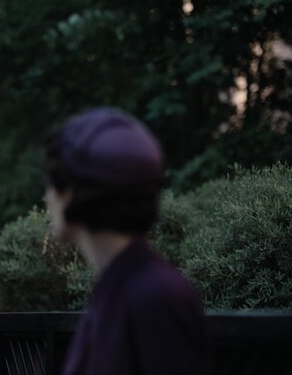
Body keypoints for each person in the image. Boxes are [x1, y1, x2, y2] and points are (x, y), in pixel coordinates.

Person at [45, 108, 210, 375]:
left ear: (71, 193)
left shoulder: (155, 297)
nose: (48, 197)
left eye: (52, 184)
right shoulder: (121, 286)